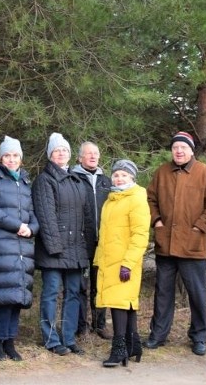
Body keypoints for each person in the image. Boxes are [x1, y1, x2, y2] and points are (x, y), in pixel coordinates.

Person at [145, 131, 206, 356]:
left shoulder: (205, 173)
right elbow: (149, 200)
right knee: (163, 293)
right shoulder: (162, 172)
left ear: (191, 151)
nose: (178, 151)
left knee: (197, 294)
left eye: (183, 148)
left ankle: (199, 336)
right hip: (165, 246)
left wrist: (199, 227)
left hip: (193, 246)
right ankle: (158, 335)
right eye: (175, 148)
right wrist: (157, 221)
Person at [32, 132, 95, 356]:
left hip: (76, 250)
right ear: (50, 154)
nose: (61, 153)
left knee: (73, 294)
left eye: (65, 150)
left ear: (70, 155)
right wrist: (55, 248)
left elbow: (87, 218)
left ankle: (69, 338)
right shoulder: (44, 180)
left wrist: (88, 247)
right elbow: (45, 216)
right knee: (50, 293)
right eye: (57, 150)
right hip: (54, 251)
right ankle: (50, 339)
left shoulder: (78, 181)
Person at [0, 136, 39, 361]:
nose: (11, 159)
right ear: (0, 158)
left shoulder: (24, 180)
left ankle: (10, 342)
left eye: (15, 155)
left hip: (22, 244)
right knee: (5, 294)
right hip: (1, 243)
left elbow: (32, 212)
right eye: (7, 155)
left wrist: (32, 229)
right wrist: (17, 226)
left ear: (21, 159)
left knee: (18, 295)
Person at [95, 159, 151, 368]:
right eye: (116, 175)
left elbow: (140, 234)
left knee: (119, 303)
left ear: (132, 177)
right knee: (125, 303)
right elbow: (106, 233)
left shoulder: (136, 198)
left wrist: (128, 262)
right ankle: (133, 343)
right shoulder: (112, 199)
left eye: (124, 175)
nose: (119, 178)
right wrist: (99, 259)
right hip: (110, 260)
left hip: (125, 261)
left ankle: (119, 349)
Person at [71, 141, 112, 339]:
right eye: (88, 154)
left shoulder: (107, 181)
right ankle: (81, 325)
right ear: (79, 158)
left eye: (96, 153)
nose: (93, 156)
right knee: (81, 285)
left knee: (101, 284)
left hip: (103, 242)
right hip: (81, 241)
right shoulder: (73, 178)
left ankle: (100, 323)